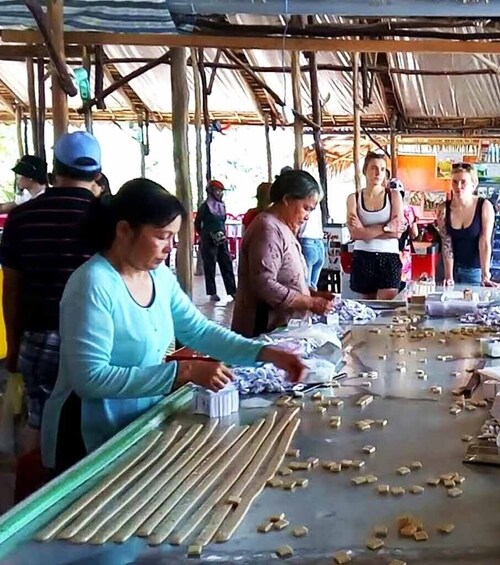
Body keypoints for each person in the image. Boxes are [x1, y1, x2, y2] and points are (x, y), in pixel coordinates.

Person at [41, 179, 307, 474]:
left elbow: (199, 331)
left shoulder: (158, 277)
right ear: (124, 230)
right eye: (161, 236)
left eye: (174, 237)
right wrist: (185, 372)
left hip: (139, 420)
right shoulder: (93, 284)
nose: (170, 247)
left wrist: (266, 353)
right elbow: (89, 379)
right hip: (88, 434)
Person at [0, 132, 102, 449]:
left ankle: (34, 493)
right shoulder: (110, 217)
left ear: (53, 170)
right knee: (93, 422)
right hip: (96, 337)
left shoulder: (22, 217)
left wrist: (14, 345)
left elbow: (12, 287)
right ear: (97, 174)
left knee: (39, 420)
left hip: (39, 335)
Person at [232, 170, 333, 338]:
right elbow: (264, 285)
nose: (307, 216)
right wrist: (309, 302)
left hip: (282, 330)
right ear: (287, 200)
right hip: (264, 331)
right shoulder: (267, 229)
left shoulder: (283, 227)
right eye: (305, 208)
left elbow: (286, 277)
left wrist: (311, 293)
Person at [346, 152, 404, 300]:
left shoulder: (393, 196)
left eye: (383, 169)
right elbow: (354, 234)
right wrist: (386, 227)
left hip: (389, 256)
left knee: (386, 308)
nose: (378, 173)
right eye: (374, 168)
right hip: (363, 256)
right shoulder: (354, 198)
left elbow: (397, 232)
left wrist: (365, 230)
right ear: (365, 170)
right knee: (367, 310)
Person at [437, 163, 496, 286]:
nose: (458, 186)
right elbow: (446, 243)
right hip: (449, 268)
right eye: (455, 182)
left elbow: (484, 242)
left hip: (474, 271)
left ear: (473, 184)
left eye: (463, 182)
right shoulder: (443, 209)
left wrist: (485, 275)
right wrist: (449, 276)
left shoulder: (484, 206)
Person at [195, 179, 237, 302]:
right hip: (208, 240)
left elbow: (222, 221)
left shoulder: (222, 205)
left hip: (221, 239)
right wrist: (204, 235)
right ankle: (212, 292)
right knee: (210, 266)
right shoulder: (205, 206)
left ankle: (232, 290)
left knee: (226, 264)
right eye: (217, 190)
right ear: (210, 191)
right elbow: (197, 223)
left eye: (220, 191)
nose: (219, 193)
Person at [391, 179, 419, 290]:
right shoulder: (408, 210)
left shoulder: (384, 210)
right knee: (402, 288)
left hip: (388, 252)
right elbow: (414, 233)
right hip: (404, 254)